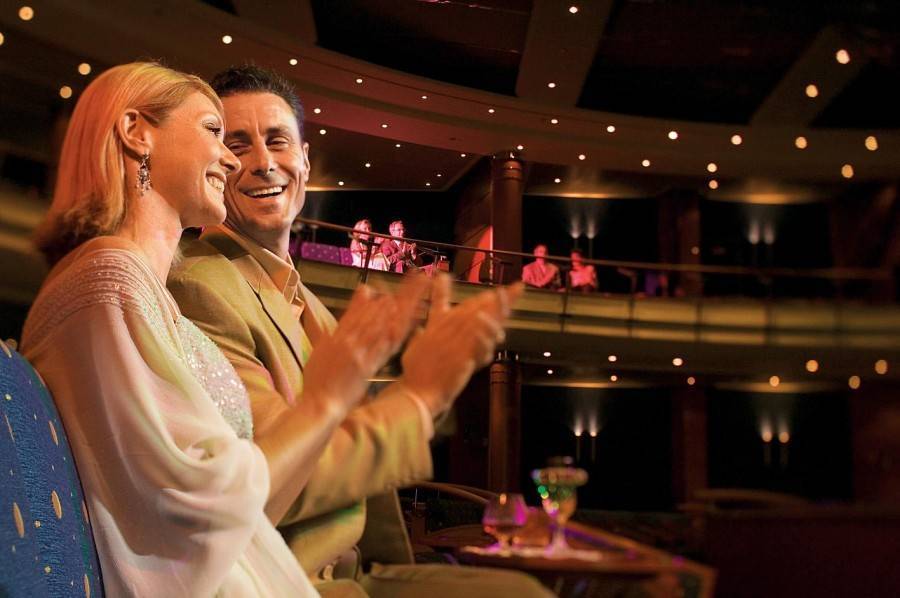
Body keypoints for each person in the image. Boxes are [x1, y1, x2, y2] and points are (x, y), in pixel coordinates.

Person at [19, 62, 430, 597]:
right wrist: (330, 400)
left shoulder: (139, 286)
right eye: (216, 131)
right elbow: (196, 517)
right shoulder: (111, 278)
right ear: (137, 132)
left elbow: (243, 512)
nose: (235, 160)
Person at [168, 65, 549, 598]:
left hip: (362, 570)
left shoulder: (314, 308)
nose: (263, 163)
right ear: (216, 166)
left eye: (277, 141)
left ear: (305, 160)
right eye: (238, 145)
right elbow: (268, 480)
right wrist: (419, 396)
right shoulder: (201, 285)